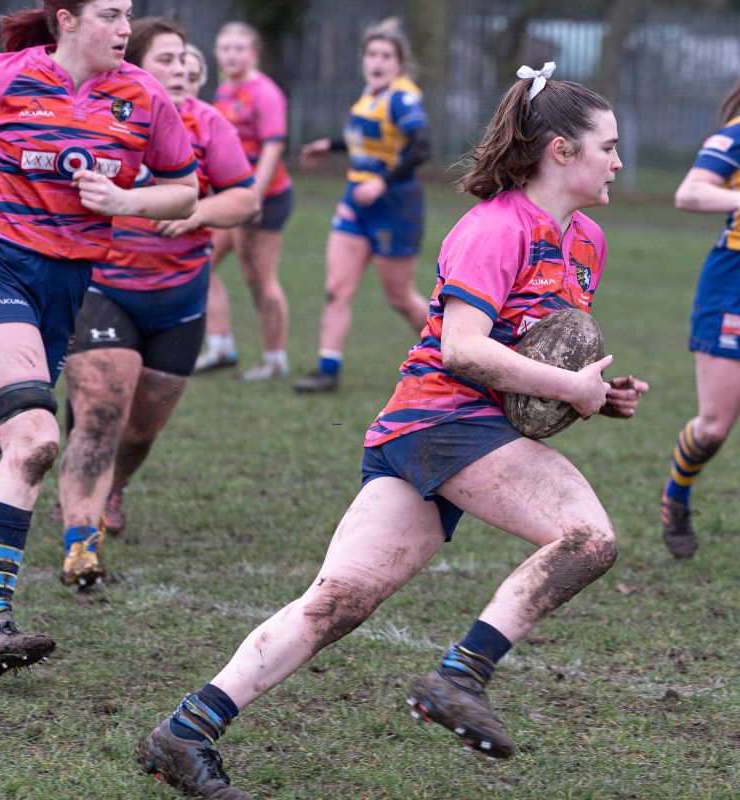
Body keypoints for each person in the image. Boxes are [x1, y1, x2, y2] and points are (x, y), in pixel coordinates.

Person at [136, 65, 649, 798]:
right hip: (442, 419)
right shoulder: (493, 228)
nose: (620, 161)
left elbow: (535, 350)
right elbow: (465, 349)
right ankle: (459, 677)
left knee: (337, 601)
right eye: (609, 145)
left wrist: (594, 393)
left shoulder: (586, 240)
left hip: (444, 429)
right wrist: (570, 387)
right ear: (560, 151)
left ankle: (185, 731)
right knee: (586, 539)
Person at [0, 0, 200, 679]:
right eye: (112, 15)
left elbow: (186, 188)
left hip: (63, 291)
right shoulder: (3, 78)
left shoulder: (140, 97)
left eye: (128, 15)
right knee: (33, 439)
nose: (125, 29)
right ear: (67, 20)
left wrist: (128, 204)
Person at [57, 16, 257, 587]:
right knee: (100, 407)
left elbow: (243, 201)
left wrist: (193, 210)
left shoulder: (205, 123)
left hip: (177, 300)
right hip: (101, 286)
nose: (179, 72)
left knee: (140, 430)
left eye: (185, 63)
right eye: (166, 60)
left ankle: (112, 486)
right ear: (134, 63)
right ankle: (80, 539)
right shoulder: (98, 114)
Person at [294, 17, 431, 393]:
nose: (378, 61)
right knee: (337, 288)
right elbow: (368, 141)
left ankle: (453, 354)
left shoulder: (403, 97)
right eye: (372, 53)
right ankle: (327, 369)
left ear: (399, 63)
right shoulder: (370, 96)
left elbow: (421, 147)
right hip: (356, 203)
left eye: (386, 55)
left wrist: (382, 181)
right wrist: (332, 145)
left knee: (399, 297)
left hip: (395, 207)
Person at [660, 80, 740, 558]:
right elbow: (689, 193)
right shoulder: (735, 136)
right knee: (713, 427)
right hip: (734, 284)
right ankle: (677, 495)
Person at [192, 21, 293, 381]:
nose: (231, 55)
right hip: (231, 197)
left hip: (265, 198)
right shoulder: (224, 90)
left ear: (253, 53)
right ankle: (220, 345)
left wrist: (254, 194)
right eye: (225, 48)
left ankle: (275, 358)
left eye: (239, 48)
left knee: (260, 280)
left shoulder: (264, 92)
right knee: (200, 262)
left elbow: (273, 147)